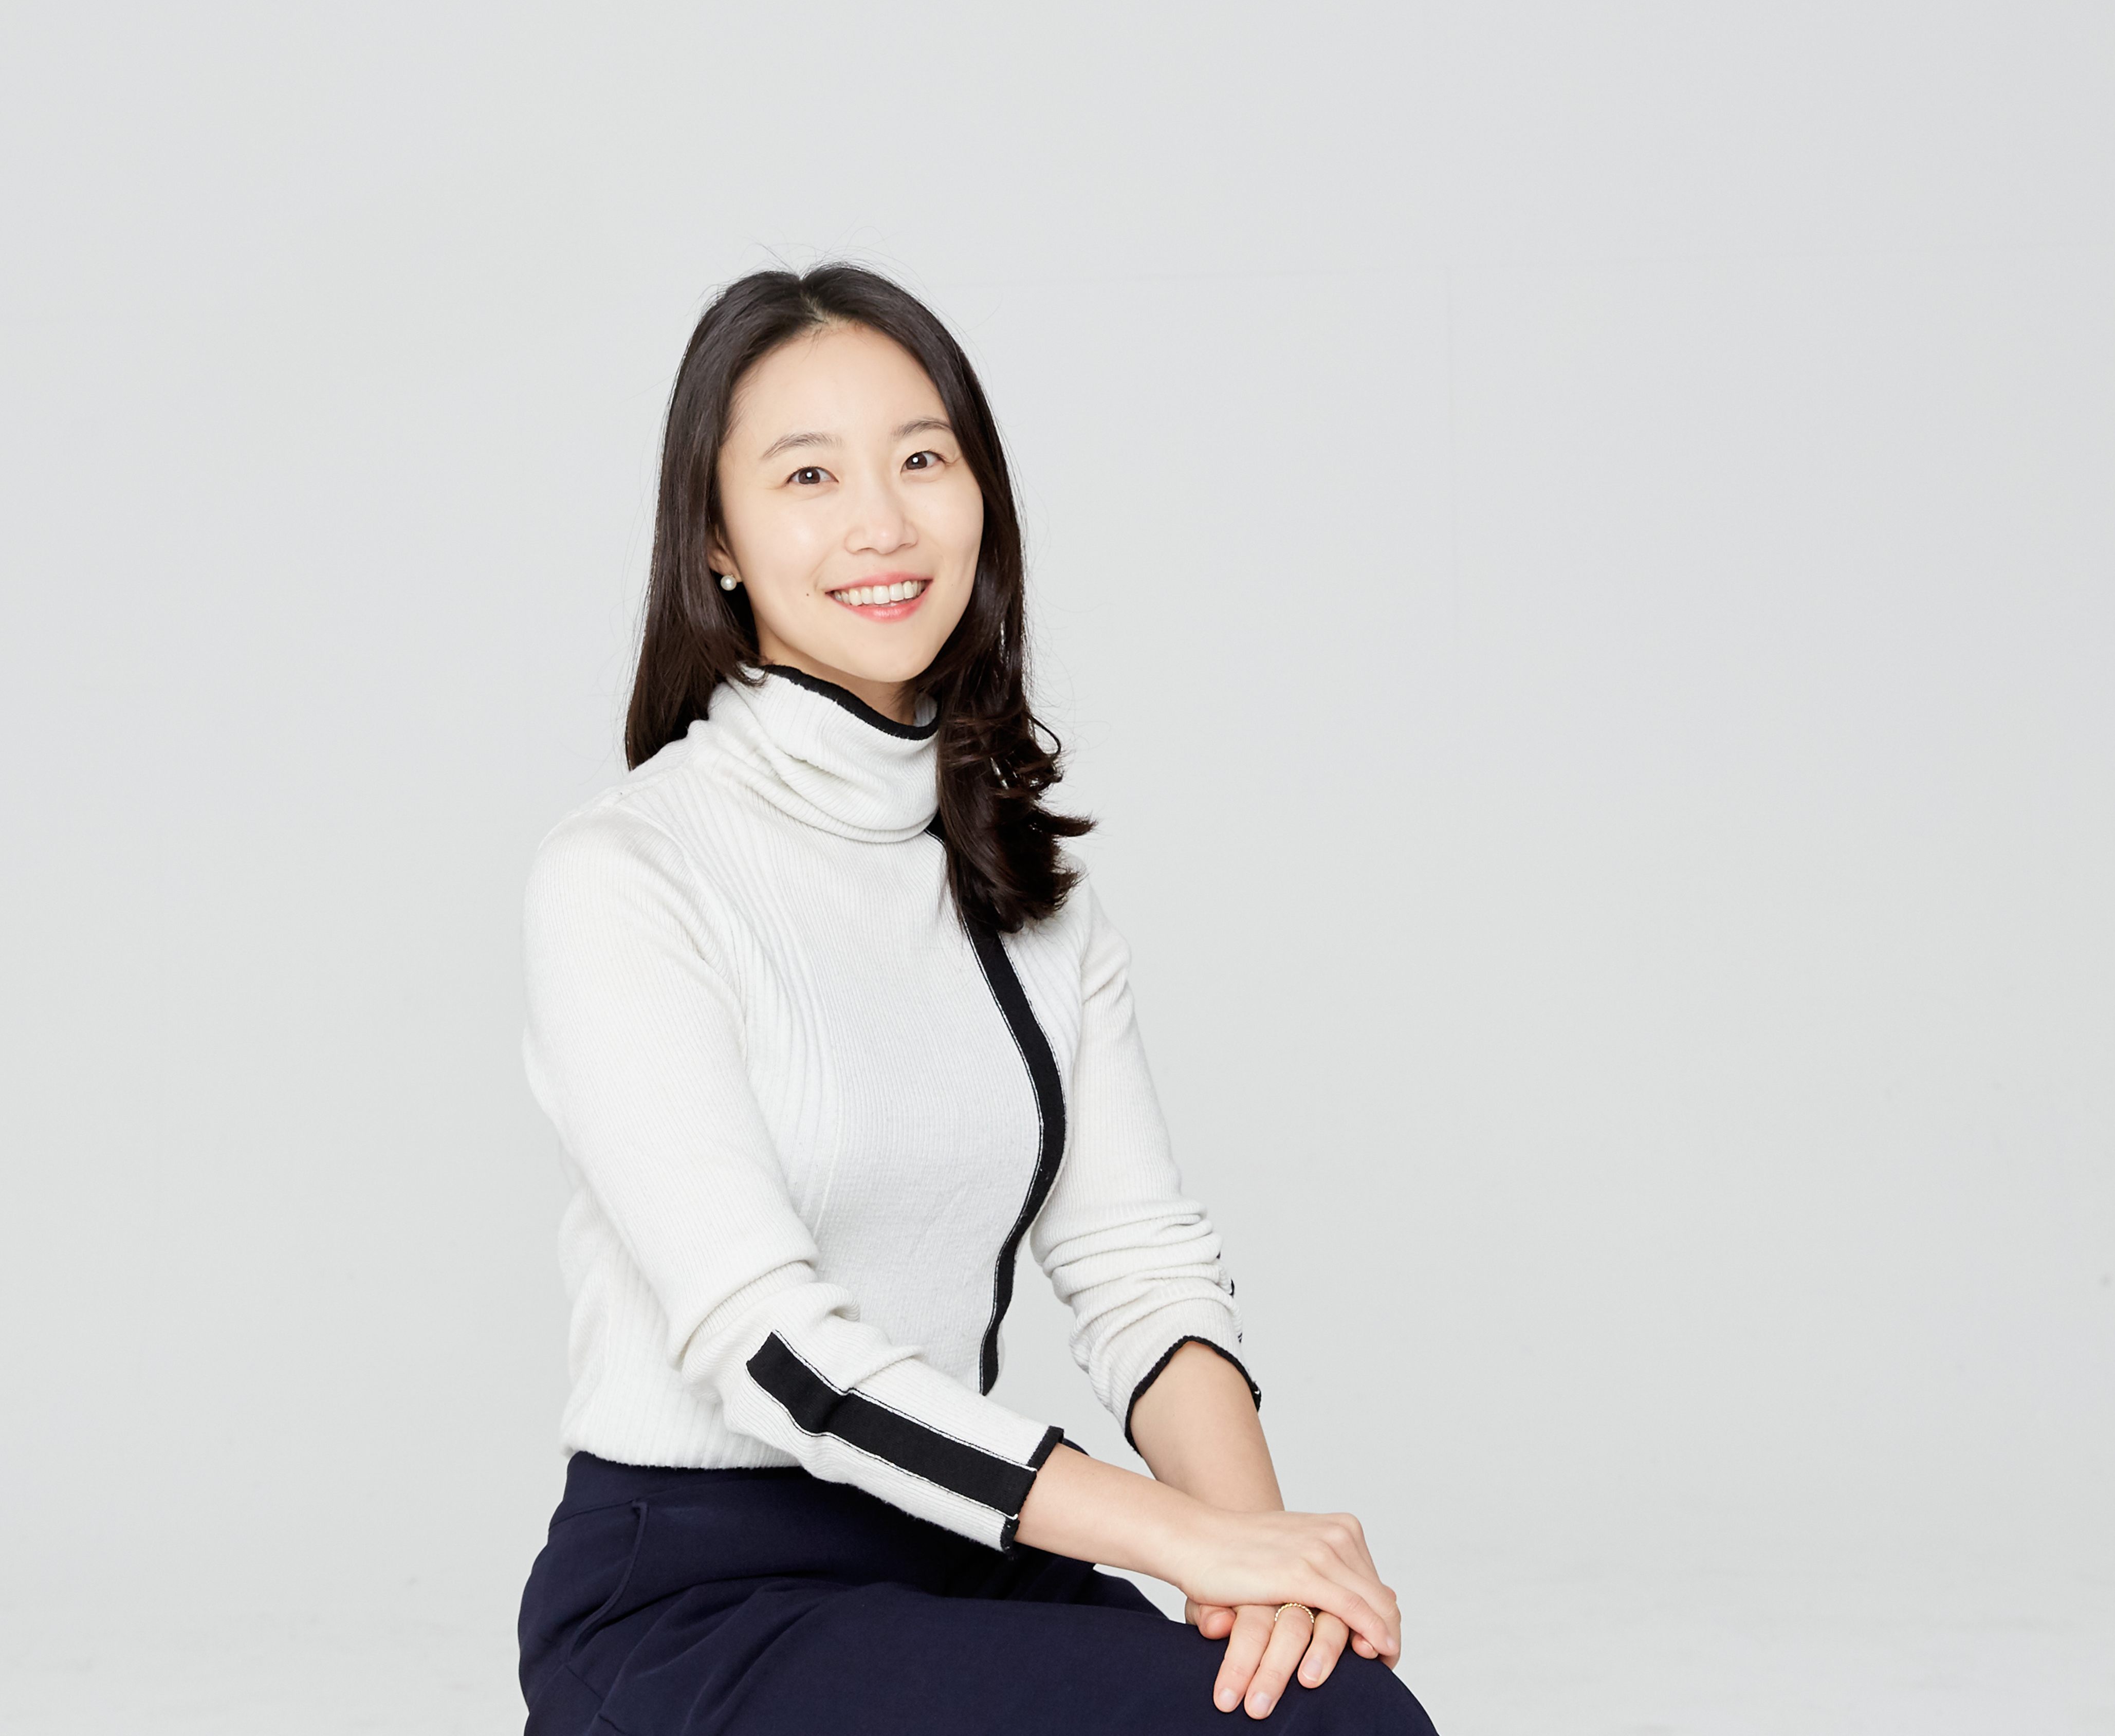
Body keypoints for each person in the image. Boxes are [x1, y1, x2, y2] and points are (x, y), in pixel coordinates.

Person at [516, 265, 1434, 1734]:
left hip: (960, 1540)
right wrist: (1174, 1537)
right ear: (718, 540)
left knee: (1326, 1713)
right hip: (696, 1595)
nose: (881, 522)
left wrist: (1268, 1579)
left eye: (922, 460)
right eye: (807, 475)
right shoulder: (626, 872)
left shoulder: (1021, 884)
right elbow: (773, 1354)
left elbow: (1141, 1269)